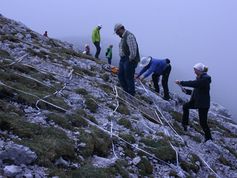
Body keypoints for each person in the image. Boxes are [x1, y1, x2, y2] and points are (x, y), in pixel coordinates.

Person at [175, 63, 212, 142]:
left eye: (195, 70)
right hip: (197, 101)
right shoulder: (200, 78)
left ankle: (209, 138)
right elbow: (197, 90)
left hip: (203, 104)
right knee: (185, 106)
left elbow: (195, 84)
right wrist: (187, 91)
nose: (194, 72)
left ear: (199, 70)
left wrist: (181, 82)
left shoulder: (205, 79)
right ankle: (184, 124)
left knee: (203, 122)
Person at [114, 23, 140, 96]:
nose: (117, 34)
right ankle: (126, 91)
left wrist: (129, 60)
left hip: (129, 60)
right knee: (120, 75)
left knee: (128, 77)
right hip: (123, 59)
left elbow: (133, 51)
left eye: (117, 32)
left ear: (121, 29)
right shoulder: (123, 37)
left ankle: (131, 94)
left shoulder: (129, 36)